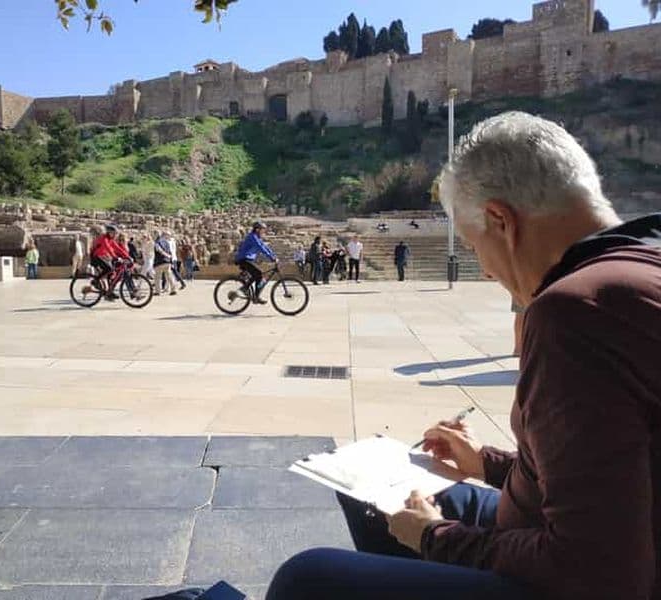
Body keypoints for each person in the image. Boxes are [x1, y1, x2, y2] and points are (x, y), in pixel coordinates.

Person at [267, 112, 661, 600]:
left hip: (575, 574)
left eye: (476, 247)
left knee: (307, 580)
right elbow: (613, 467)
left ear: (501, 220)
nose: (490, 272)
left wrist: (436, 537)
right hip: (545, 524)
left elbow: (597, 572)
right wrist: (488, 464)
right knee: (364, 487)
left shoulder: (575, 311)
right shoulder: (642, 262)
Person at [234, 221, 277, 304]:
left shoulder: (257, 238)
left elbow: (265, 247)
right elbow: (260, 248)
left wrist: (274, 256)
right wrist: (271, 258)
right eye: (262, 230)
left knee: (258, 275)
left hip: (248, 259)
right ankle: (254, 296)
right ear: (257, 229)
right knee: (259, 273)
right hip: (243, 259)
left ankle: (245, 289)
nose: (264, 231)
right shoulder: (252, 237)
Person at [90, 224, 129, 300]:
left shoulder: (111, 239)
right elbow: (108, 248)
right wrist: (115, 257)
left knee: (111, 272)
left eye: (115, 233)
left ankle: (110, 292)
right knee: (108, 269)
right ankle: (95, 280)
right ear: (109, 232)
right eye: (114, 233)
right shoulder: (104, 238)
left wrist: (127, 256)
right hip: (95, 257)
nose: (115, 235)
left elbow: (117, 248)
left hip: (103, 256)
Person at [153, 231, 177, 296]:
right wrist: (170, 259)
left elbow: (159, 250)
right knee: (169, 276)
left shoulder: (157, 242)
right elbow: (170, 252)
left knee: (157, 277)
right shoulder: (166, 242)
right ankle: (173, 289)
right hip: (167, 261)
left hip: (160, 261)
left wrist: (166, 255)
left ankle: (158, 291)